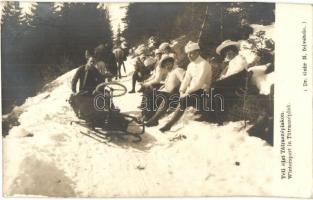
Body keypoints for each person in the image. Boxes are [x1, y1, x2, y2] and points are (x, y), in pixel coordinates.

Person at [159, 41, 212, 132]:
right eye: (188, 54)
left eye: (191, 53)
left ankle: (169, 124)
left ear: (198, 52)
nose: (189, 56)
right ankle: (168, 119)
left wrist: (187, 92)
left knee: (183, 100)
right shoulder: (190, 65)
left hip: (203, 90)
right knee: (177, 96)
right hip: (193, 90)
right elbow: (186, 79)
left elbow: (200, 82)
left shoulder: (204, 64)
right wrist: (181, 90)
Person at [144, 56, 186, 126]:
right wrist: (164, 86)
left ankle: (152, 119)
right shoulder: (170, 72)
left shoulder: (178, 70)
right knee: (150, 93)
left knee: (155, 96)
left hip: (176, 94)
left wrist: (179, 90)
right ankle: (148, 115)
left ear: (172, 63)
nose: (166, 66)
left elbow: (184, 81)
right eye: (164, 65)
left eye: (168, 64)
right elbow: (168, 83)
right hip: (169, 92)